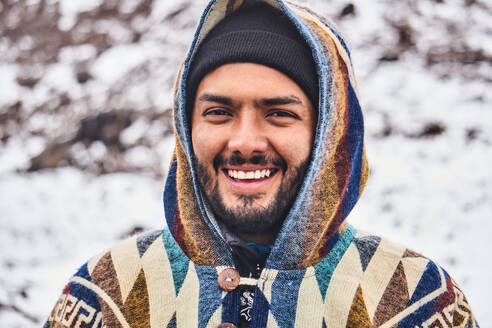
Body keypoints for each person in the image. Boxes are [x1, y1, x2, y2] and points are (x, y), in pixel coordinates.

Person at [45, 0, 479, 327]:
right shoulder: (108, 293)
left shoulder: (412, 300)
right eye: (218, 112)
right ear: (185, 127)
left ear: (328, 133)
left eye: (280, 113)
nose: (246, 141)